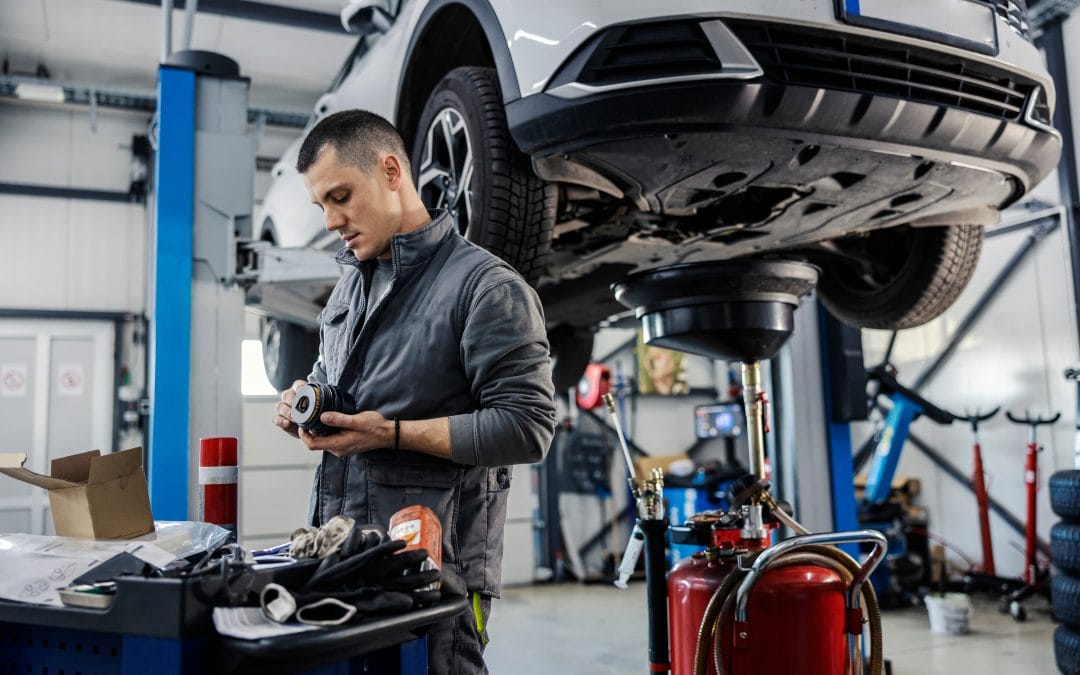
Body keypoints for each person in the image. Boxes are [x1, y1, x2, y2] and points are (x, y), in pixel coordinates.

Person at [272, 109, 557, 674]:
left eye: (341, 196)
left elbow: (528, 428)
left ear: (391, 170)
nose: (331, 220)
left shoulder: (486, 288)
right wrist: (308, 402)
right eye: (320, 205)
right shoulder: (350, 289)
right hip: (345, 563)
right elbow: (339, 388)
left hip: (437, 580)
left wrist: (392, 434)